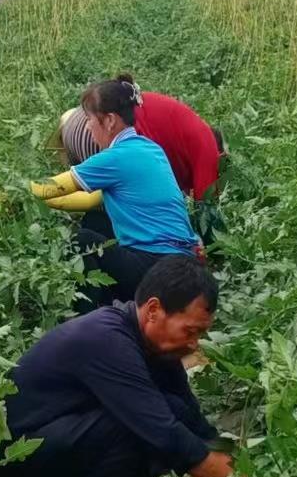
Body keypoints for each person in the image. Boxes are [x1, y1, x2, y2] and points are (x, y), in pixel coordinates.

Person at [0, 255, 232, 477]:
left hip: (57, 448)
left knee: (170, 408)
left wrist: (241, 462)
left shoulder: (153, 346)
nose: (194, 344)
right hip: (15, 470)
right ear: (153, 310)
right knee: (137, 429)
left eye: (200, 334)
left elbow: (191, 419)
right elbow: (164, 433)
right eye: (190, 331)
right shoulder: (105, 339)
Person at [33, 79, 202, 309]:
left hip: (157, 269)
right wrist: (50, 202)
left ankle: (93, 318)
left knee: (81, 242)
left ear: (110, 120)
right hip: (186, 268)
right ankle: (116, 304)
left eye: (90, 119)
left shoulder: (115, 158)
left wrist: (17, 188)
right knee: (97, 222)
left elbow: (48, 187)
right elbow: (88, 201)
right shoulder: (150, 148)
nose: (88, 127)